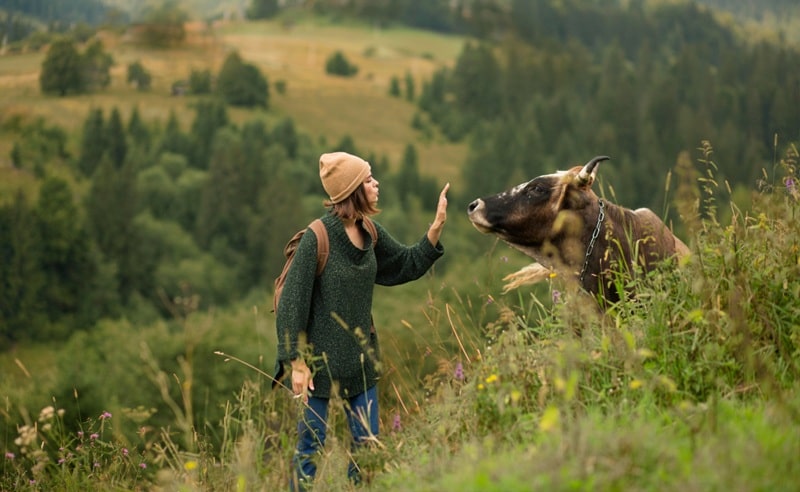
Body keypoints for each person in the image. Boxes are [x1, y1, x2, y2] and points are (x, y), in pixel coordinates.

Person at [274, 151, 449, 489]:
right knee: (310, 449)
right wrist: (295, 362)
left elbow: (406, 264)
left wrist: (436, 226)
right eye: (369, 180)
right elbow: (291, 304)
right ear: (354, 190)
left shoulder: (370, 231)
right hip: (316, 367)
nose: (376, 184)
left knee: (367, 450)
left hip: (360, 363)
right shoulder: (317, 239)